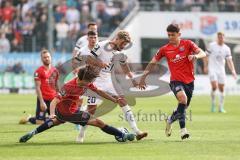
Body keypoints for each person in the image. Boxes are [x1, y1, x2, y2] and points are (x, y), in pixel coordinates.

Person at [19, 67, 135, 143]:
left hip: (64, 112)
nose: (91, 83)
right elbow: (54, 101)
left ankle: (32, 132)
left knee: (56, 122)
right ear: (83, 79)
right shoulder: (69, 87)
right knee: (99, 123)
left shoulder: (85, 83)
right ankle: (121, 135)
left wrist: (114, 99)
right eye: (90, 81)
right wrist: (52, 114)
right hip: (70, 113)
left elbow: (99, 91)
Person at [75, 30, 147, 143]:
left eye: (125, 45)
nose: (123, 46)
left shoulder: (120, 52)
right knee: (91, 111)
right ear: (117, 39)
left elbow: (124, 65)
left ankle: (137, 131)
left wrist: (132, 79)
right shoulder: (103, 45)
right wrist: (100, 64)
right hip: (95, 80)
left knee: (122, 101)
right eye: (123, 43)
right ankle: (81, 135)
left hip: (108, 80)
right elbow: (88, 59)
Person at [139, 24, 206, 140]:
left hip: (189, 81)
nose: (170, 37)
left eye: (173, 35)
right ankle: (183, 130)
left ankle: (170, 120)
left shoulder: (188, 44)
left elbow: (203, 53)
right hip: (175, 81)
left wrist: (196, 56)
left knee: (183, 107)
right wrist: (143, 77)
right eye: (168, 35)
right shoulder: (164, 49)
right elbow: (152, 62)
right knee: (183, 99)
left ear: (179, 34)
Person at [19, 50, 59, 125]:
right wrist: (41, 102)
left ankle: (45, 117)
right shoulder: (38, 71)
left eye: (48, 57)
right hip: (43, 99)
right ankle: (29, 119)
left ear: (50, 58)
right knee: (39, 122)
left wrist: (58, 98)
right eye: (44, 57)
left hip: (53, 100)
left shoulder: (55, 71)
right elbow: (37, 87)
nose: (47, 59)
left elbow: (56, 85)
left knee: (58, 120)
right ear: (41, 59)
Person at [203, 32, 237, 113]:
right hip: (212, 69)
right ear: (217, 38)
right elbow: (205, 56)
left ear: (224, 38)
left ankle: (221, 107)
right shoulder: (212, 46)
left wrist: (233, 71)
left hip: (221, 70)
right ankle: (213, 104)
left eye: (222, 37)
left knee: (221, 88)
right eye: (219, 37)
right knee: (214, 86)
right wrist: (205, 66)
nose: (220, 39)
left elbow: (229, 61)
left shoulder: (226, 48)